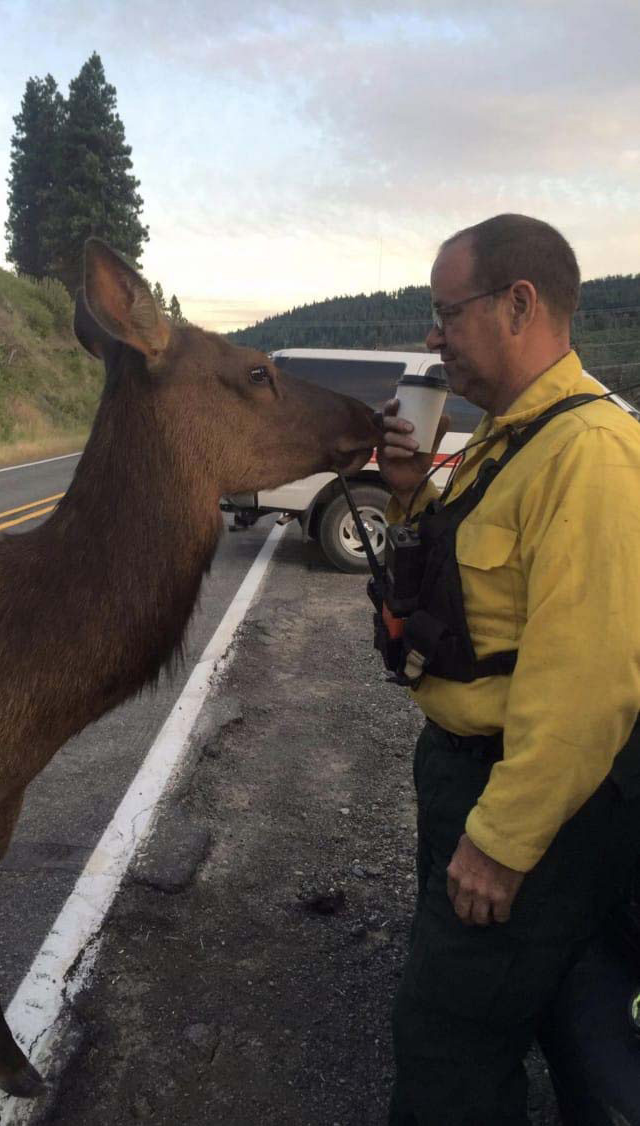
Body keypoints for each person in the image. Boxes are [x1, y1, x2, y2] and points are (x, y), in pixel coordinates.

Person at [376, 213, 640, 1124]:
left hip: (525, 804)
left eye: (449, 311)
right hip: (462, 775)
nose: (433, 334)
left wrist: (500, 843)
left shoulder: (592, 454)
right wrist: (412, 493)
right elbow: (464, 595)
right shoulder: (510, 437)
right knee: (488, 1019)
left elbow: (587, 685)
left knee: (446, 1043)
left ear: (519, 303)